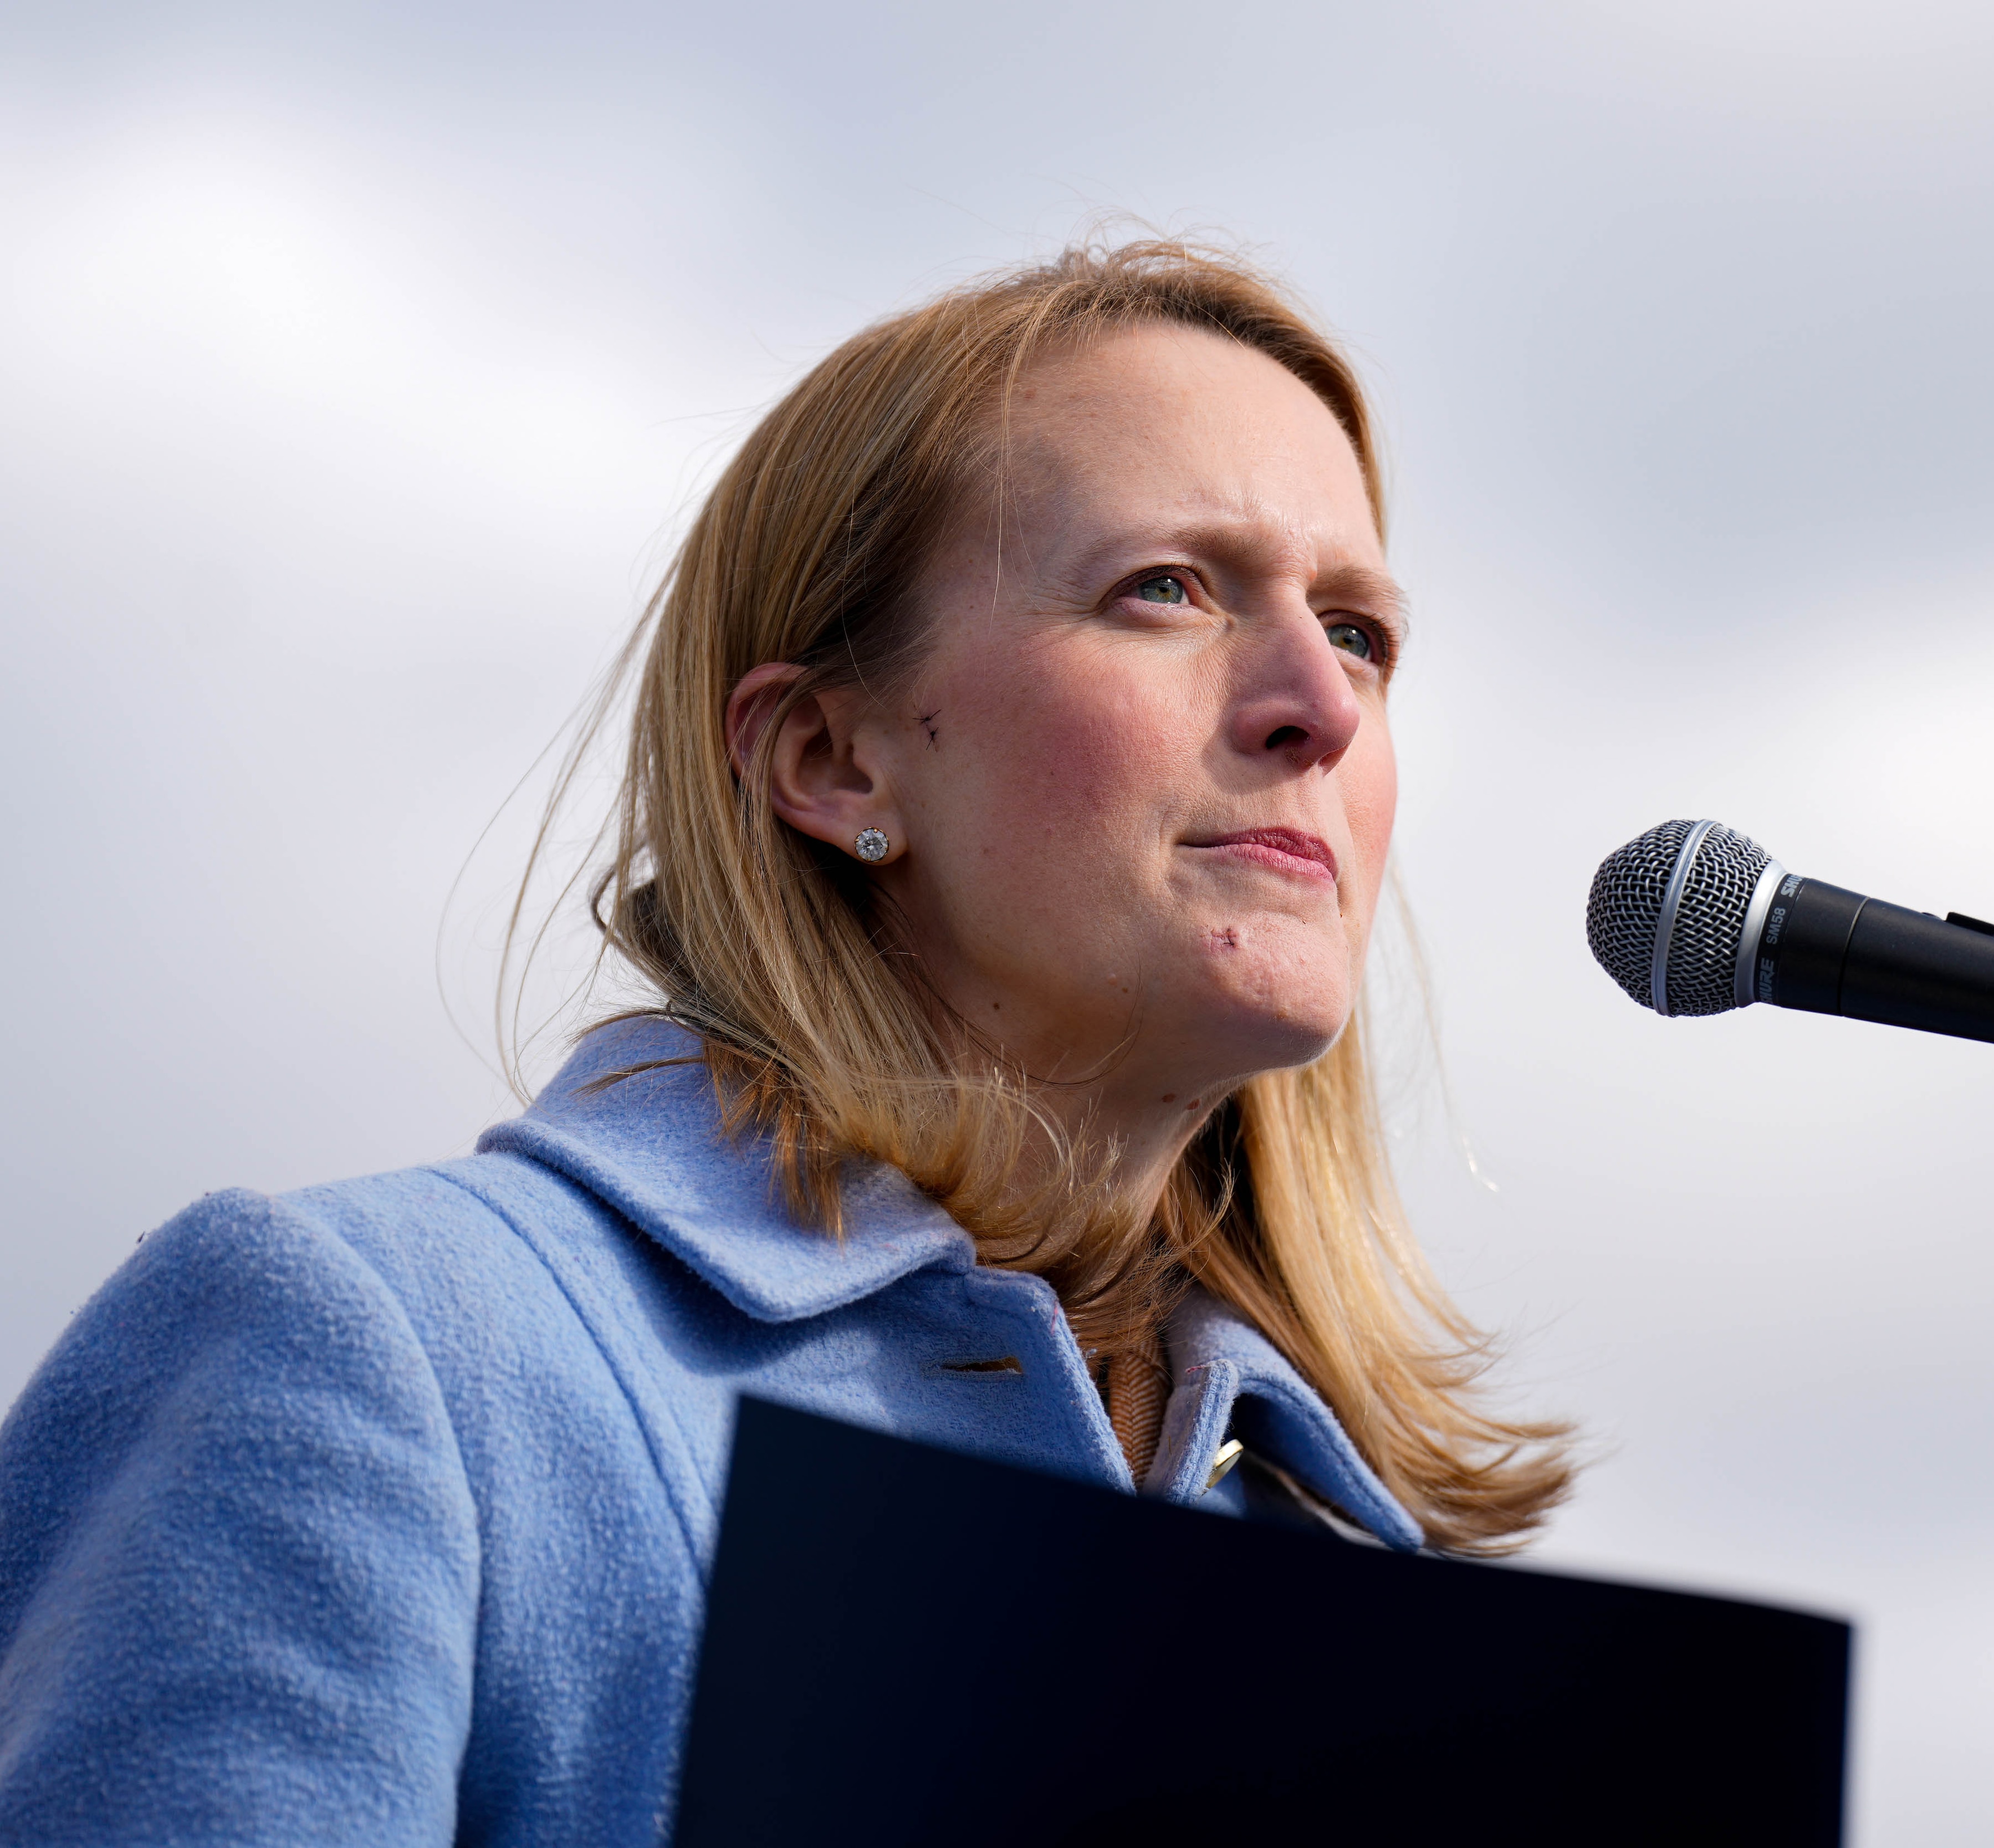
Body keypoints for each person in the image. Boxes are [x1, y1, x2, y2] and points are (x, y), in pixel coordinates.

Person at [0, 239, 1573, 1844]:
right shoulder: (378, 1350)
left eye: (1364, 633)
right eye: (1164, 590)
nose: (1319, 701)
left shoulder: (1386, 1601)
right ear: (832, 759)